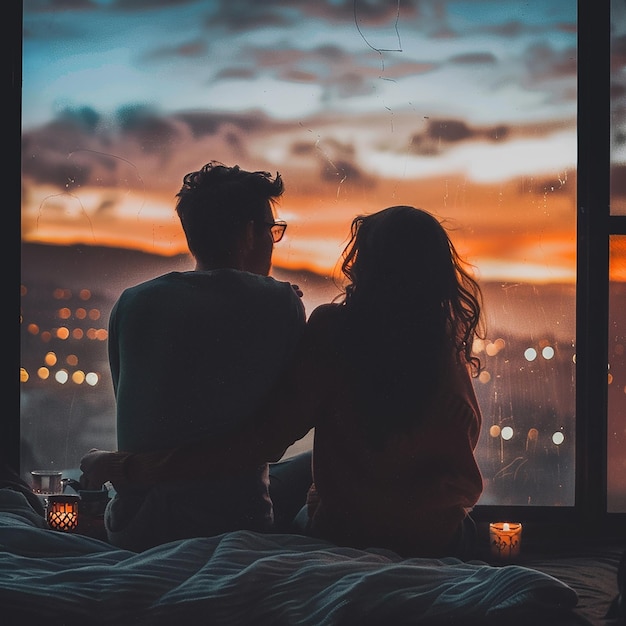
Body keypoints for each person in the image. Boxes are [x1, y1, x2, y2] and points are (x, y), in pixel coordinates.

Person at [82, 205, 484, 559]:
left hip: (346, 533)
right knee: (297, 471)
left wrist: (126, 467)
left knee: (282, 476)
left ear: (362, 264)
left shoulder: (337, 332)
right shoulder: (446, 352)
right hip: (437, 537)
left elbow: (260, 441)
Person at [90, 160, 307, 551]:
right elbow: (275, 437)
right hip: (229, 524)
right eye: (272, 232)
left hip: (131, 524)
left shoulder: (133, 301)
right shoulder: (279, 301)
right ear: (248, 234)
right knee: (311, 465)